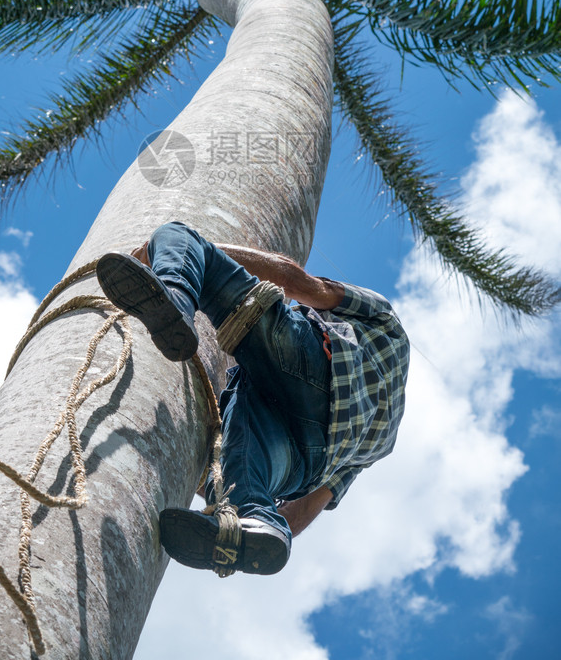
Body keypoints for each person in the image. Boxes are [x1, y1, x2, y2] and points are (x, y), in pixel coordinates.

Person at [96, 221, 409, 577]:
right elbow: (306, 508)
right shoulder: (381, 444)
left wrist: (180, 256)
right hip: (308, 456)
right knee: (246, 475)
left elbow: (295, 282)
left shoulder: (385, 318)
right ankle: (251, 521)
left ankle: (177, 294)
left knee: (176, 237)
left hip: (317, 369)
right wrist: (267, 521)